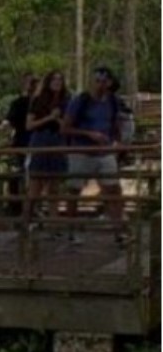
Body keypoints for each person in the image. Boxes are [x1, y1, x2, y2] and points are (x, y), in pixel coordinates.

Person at [62, 66, 125, 244]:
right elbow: (65, 128)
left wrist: (117, 142)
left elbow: (115, 123)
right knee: (74, 190)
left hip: (104, 152)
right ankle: (71, 230)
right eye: (97, 81)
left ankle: (118, 231)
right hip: (81, 152)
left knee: (113, 189)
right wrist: (88, 134)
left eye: (104, 81)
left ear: (110, 83)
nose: (100, 85)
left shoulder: (113, 101)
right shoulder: (81, 100)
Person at [25, 71, 70, 235]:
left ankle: (54, 224)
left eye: (60, 79)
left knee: (54, 187)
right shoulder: (37, 101)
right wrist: (49, 118)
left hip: (57, 140)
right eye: (54, 79)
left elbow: (68, 124)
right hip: (41, 140)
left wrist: (58, 120)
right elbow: (29, 125)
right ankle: (27, 220)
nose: (58, 82)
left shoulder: (66, 101)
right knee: (35, 185)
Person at [3, 73, 38, 215]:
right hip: (23, 143)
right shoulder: (19, 103)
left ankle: (25, 207)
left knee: (28, 176)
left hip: (31, 143)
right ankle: (22, 207)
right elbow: (8, 120)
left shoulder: (39, 104)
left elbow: (8, 121)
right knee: (24, 175)